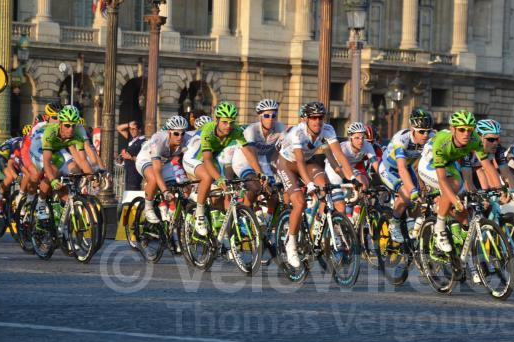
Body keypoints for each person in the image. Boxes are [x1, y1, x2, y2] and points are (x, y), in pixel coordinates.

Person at [417, 110, 504, 283]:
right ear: (453, 129)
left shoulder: (473, 142)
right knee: (453, 189)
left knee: (465, 214)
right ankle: (440, 228)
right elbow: (442, 180)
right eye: (462, 129)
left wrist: (500, 189)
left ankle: (462, 257)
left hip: (449, 165)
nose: (466, 134)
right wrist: (454, 200)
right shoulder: (442, 141)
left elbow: (487, 166)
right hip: (428, 166)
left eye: (469, 130)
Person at [276, 101, 359, 267]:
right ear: (306, 119)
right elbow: (298, 161)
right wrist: (309, 184)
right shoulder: (298, 133)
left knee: (325, 187)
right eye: (313, 117)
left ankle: (320, 227)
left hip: (308, 162)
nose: (317, 121)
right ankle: (290, 244)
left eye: (320, 117)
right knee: (299, 202)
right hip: (287, 163)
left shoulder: (328, 129)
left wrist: (351, 178)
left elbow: (339, 155)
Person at [182, 102, 262, 237]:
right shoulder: (208, 130)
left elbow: (247, 152)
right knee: (208, 177)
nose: (228, 126)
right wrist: (218, 179)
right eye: (224, 122)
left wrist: (259, 172)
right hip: (194, 158)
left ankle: (222, 231)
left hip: (212, 159)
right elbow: (206, 159)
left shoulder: (236, 130)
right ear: (217, 120)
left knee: (225, 192)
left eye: (231, 122)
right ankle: (200, 215)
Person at [378, 108, 434, 242]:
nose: (425, 135)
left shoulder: (431, 138)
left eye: (428, 131)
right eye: (421, 131)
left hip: (407, 167)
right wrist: (412, 190)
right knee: (408, 193)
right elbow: (401, 169)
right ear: (412, 129)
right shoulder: (401, 139)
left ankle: (411, 226)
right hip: (389, 169)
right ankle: (394, 223)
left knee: (420, 200)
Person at [33, 106, 94, 220]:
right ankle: (40, 203)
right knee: (54, 172)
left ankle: (61, 220)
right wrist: (52, 181)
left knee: (66, 191)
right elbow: (46, 161)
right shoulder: (50, 131)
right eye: (67, 125)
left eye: (73, 125)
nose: (71, 128)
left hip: (56, 150)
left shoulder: (78, 133)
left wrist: (93, 177)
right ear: (60, 123)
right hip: (38, 149)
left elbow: (82, 160)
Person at [136, 115, 190, 224]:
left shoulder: (186, 139)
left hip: (165, 162)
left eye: (182, 133)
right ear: (169, 132)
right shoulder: (158, 139)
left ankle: (169, 216)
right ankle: (149, 208)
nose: (180, 137)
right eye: (176, 133)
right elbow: (156, 170)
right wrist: (165, 191)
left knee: (179, 186)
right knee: (154, 179)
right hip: (146, 159)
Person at [117, 121, 146, 191]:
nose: (131, 131)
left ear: (139, 130)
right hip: (128, 170)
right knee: (128, 190)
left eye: (134, 129)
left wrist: (130, 157)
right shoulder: (132, 139)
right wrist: (128, 124)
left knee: (133, 190)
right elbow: (119, 128)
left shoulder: (143, 141)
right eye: (130, 129)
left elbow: (144, 158)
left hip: (135, 172)